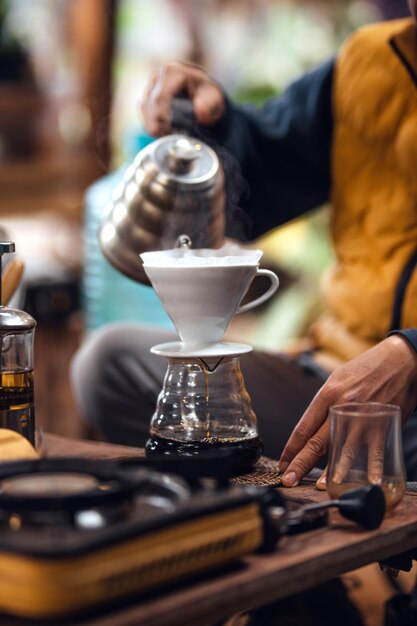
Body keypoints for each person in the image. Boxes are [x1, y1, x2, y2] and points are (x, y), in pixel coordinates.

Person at [71, 1, 417, 491]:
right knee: (108, 364)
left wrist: (412, 352)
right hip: (334, 377)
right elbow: (258, 174)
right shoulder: (371, 63)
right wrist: (207, 123)